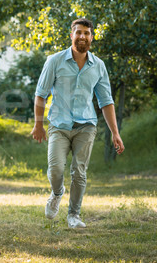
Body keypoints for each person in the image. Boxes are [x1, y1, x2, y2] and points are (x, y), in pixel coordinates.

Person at [31, 18, 125, 229]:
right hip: (59, 125)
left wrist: (115, 133)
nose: (82, 36)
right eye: (79, 32)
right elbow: (40, 95)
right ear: (71, 35)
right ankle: (57, 193)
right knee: (55, 169)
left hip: (86, 126)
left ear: (92, 37)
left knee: (79, 172)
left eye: (87, 33)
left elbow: (106, 101)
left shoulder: (98, 66)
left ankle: (74, 215)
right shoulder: (54, 61)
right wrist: (38, 125)